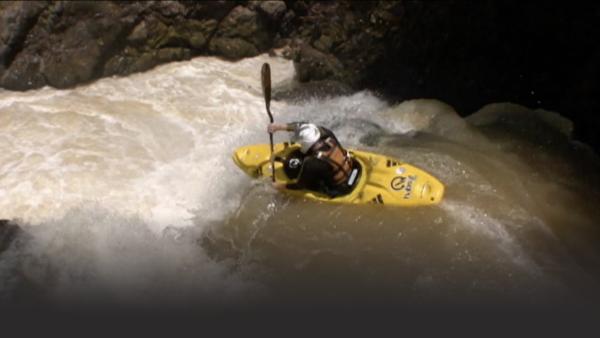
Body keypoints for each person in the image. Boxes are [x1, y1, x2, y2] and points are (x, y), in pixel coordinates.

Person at [267, 121, 357, 197]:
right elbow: (300, 125)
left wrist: (278, 186)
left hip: (340, 188)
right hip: (353, 168)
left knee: (312, 184)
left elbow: (300, 185)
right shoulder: (326, 133)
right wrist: (278, 127)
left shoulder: (311, 162)